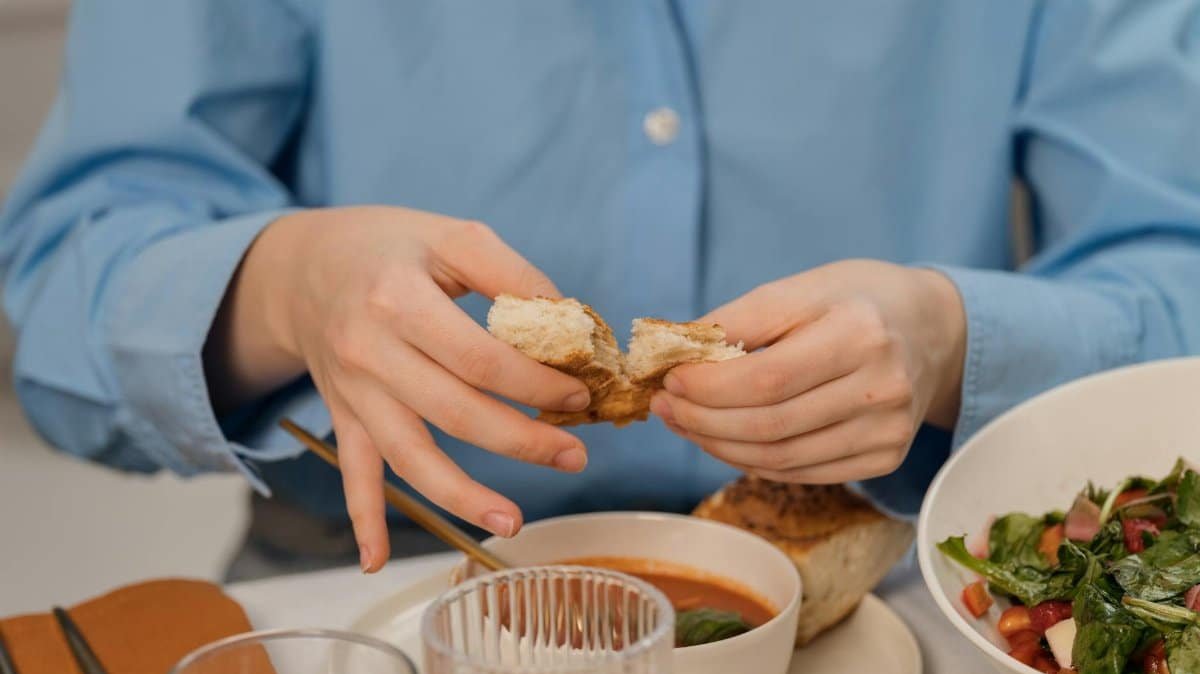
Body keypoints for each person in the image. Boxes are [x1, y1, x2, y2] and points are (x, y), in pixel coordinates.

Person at [2, 1, 1199, 577]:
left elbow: (1176, 270)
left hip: (879, 585)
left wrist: (954, 343)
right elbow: (63, 275)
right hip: (388, 578)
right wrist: (283, 290)